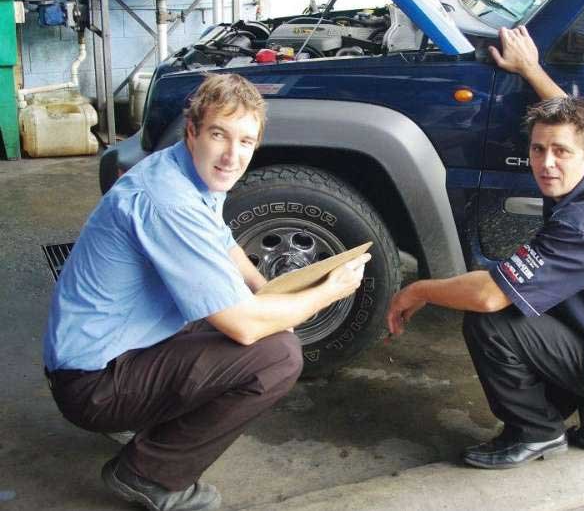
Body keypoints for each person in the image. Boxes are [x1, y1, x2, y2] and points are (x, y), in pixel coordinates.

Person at [43, 73, 371, 511]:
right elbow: (243, 325)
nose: (232, 156)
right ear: (193, 131)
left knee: (230, 316)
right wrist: (328, 291)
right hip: (93, 385)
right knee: (277, 355)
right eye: (220, 135)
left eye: (246, 142)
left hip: (112, 353)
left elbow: (221, 240)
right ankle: (147, 474)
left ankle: (148, 423)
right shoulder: (166, 200)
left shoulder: (186, 170)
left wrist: (266, 286)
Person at [386, 27, 584, 470]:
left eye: (559, 152)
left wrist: (419, 290)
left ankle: (538, 432)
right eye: (537, 149)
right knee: (529, 296)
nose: (546, 163)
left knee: (493, 322)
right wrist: (530, 69)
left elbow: (488, 295)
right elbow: (570, 119)